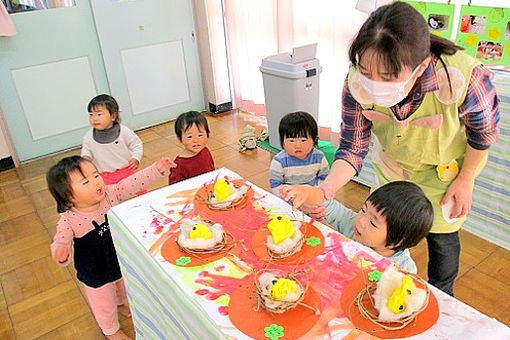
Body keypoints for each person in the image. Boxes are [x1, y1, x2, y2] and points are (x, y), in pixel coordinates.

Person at [318, 2, 500, 296]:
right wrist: (326, 189)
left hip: (446, 174)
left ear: (422, 66)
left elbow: (483, 136)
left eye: (388, 77)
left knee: (442, 240)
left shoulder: (464, 77)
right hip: (394, 166)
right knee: (386, 232)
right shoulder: (356, 84)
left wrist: (465, 180)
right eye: (366, 70)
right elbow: (353, 147)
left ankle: (442, 295)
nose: (375, 84)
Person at [47, 155, 176, 340]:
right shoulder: (69, 219)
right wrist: (60, 250)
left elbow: (132, 183)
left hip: (117, 256)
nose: (97, 182)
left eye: (96, 175)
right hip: (94, 270)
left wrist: (156, 169)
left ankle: (122, 303)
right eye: (86, 181)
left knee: (123, 286)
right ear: (68, 195)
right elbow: (61, 239)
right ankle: (111, 331)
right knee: (103, 303)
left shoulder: (110, 193)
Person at [281, 181, 434, 274]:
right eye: (363, 209)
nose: (361, 220)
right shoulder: (352, 222)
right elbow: (325, 201)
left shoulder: (402, 270)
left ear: (397, 241)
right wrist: (306, 192)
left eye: (373, 223)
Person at [81, 94, 144, 189]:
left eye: (99, 114)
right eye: (91, 114)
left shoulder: (123, 131)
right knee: (107, 196)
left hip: (127, 170)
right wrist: (85, 158)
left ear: (113, 116)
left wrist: (136, 157)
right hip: (104, 175)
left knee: (139, 188)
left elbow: (137, 144)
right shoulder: (89, 136)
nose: (94, 118)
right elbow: (86, 150)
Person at [269, 111, 329, 199]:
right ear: (283, 141)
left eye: (303, 140)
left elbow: (324, 178)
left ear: (314, 140)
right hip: (289, 199)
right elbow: (275, 186)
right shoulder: (279, 161)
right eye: (291, 141)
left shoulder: (319, 157)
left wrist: (313, 194)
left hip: (312, 196)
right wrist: (291, 199)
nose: (297, 145)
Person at [169, 111, 215, 184]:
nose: (196, 140)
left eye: (200, 135)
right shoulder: (179, 165)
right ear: (180, 139)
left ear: (207, 135)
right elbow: (174, 187)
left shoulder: (205, 150)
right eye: (189, 137)